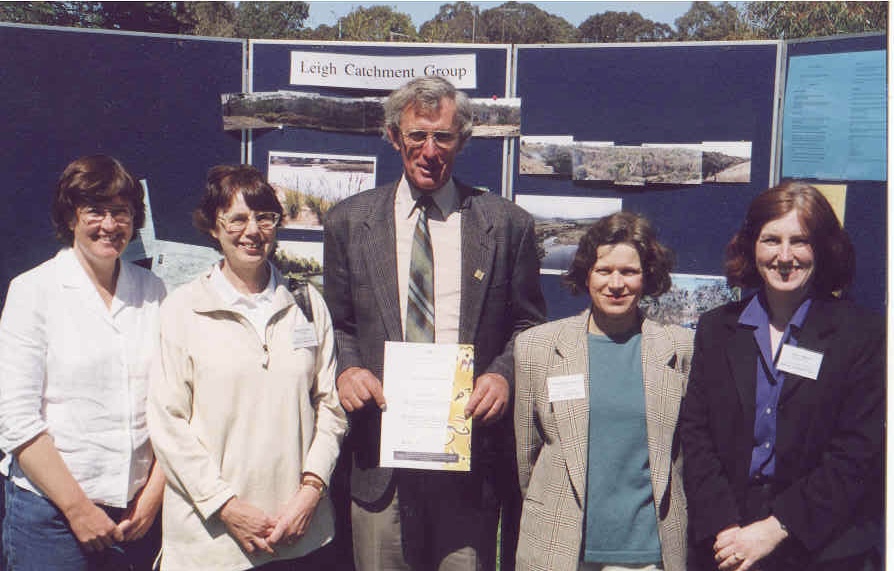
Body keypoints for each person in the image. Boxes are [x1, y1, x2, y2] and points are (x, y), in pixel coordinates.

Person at [323, 75, 546, 571]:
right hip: (379, 456)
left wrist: (503, 376)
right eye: (416, 136)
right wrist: (347, 370)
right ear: (394, 137)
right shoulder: (348, 223)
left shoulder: (506, 224)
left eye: (442, 136)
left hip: (466, 458)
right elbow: (336, 325)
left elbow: (528, 325)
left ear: (461, 141)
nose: (429, 150)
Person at [147, 165, 347, 570]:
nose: (252, 231)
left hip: (297, 535)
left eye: (264, 217)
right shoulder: (182, 309)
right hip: (211, 542)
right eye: (237, 218)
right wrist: (226, 506)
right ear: (213, 227)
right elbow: (167, 424)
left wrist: (311, 489)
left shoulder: (305, 303)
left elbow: (331, 407)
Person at [679, 181, 884, 571]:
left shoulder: (863, 335)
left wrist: (775, 529)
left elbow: (857, 451)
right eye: (771, 240)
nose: (785, 256)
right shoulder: (716, 329)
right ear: (751, 246)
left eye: (800, 241)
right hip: (727, 542)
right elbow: (696, 433)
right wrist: (725, 528)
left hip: (822, 543)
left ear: (822, 249)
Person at [0, 155, 166, 570]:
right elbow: (15, 420)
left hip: (135, 518)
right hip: (52, 519)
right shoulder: (34, 291)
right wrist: (77, 509)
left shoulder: (154, 291)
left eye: (121, 212)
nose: (109, 225)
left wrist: (152, 497)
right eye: (95, 210)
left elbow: (178, 402)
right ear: (70, 217)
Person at [514, 212, 692, 571]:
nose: (616, 283)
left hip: (646, 553)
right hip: (559, 548)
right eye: (604, 270)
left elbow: (683, 455)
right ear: (586, 273)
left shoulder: (680, 349)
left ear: (648, 277)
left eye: (629, 272)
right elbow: (527, 456)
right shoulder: (537, 348)